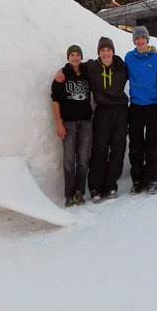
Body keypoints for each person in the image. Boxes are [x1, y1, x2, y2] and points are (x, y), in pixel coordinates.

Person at [54, 36, 129, 203]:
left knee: (118, 149)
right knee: (99, 149)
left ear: (113, 51)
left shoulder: (123, 66)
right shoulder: (92, 66)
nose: (106, 53)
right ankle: (95, 187)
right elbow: (74, 66)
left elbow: (141, 66)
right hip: (102, 111)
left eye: (108, 49)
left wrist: (153, 50)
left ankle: (111, 186)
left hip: (120, 111)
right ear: (99, 53)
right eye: (102, 50)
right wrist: (60, 71)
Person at [126, 26, 157, 195]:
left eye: (142, 38)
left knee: (153, 143)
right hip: (136, 107)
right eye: (137, 38)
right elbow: (113, 68)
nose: (140, 41)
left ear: (147, 40)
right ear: (134, 41)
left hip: (154, 106)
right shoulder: (129, 58)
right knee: (136, 143)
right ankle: (137, 179)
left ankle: (152, 179)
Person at [51, 45, 92, 207]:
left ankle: (79, 191)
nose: (75, 58)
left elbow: (99, 62)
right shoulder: (62, 75)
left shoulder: (87, 71)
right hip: (68, 122)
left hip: (86, 122)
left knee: (83, 158)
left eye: (77, 55)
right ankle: (68, 194)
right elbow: (55, 101)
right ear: (68, 57)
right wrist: (59, 122)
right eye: (72, 55)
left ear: (81, 57)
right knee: (69, 159)